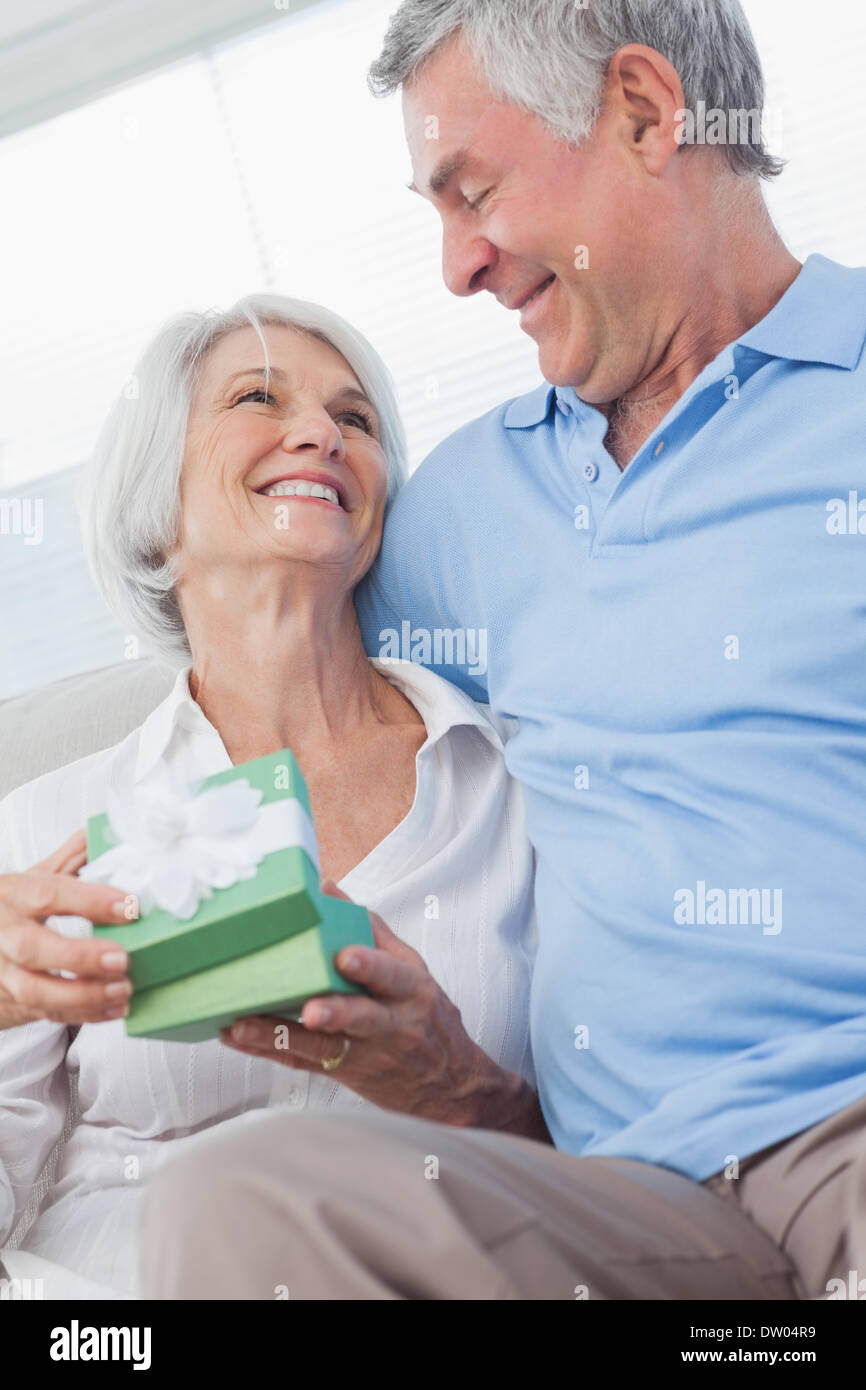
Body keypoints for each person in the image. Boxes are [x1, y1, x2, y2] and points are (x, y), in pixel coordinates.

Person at [136, 0, 866, 1301]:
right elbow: (269, 651)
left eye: (472, 193)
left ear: (645, 114)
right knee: (237, 1203)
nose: (456, 267)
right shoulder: (463, 514)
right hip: (626, 1208)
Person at [0, 295, 539, 1298]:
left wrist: (463, 1089)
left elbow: (615, 1177)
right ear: (156, 518)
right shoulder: (42, 824)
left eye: (358, 420)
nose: (319, 434)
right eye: (258, 396)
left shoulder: (517, 790)